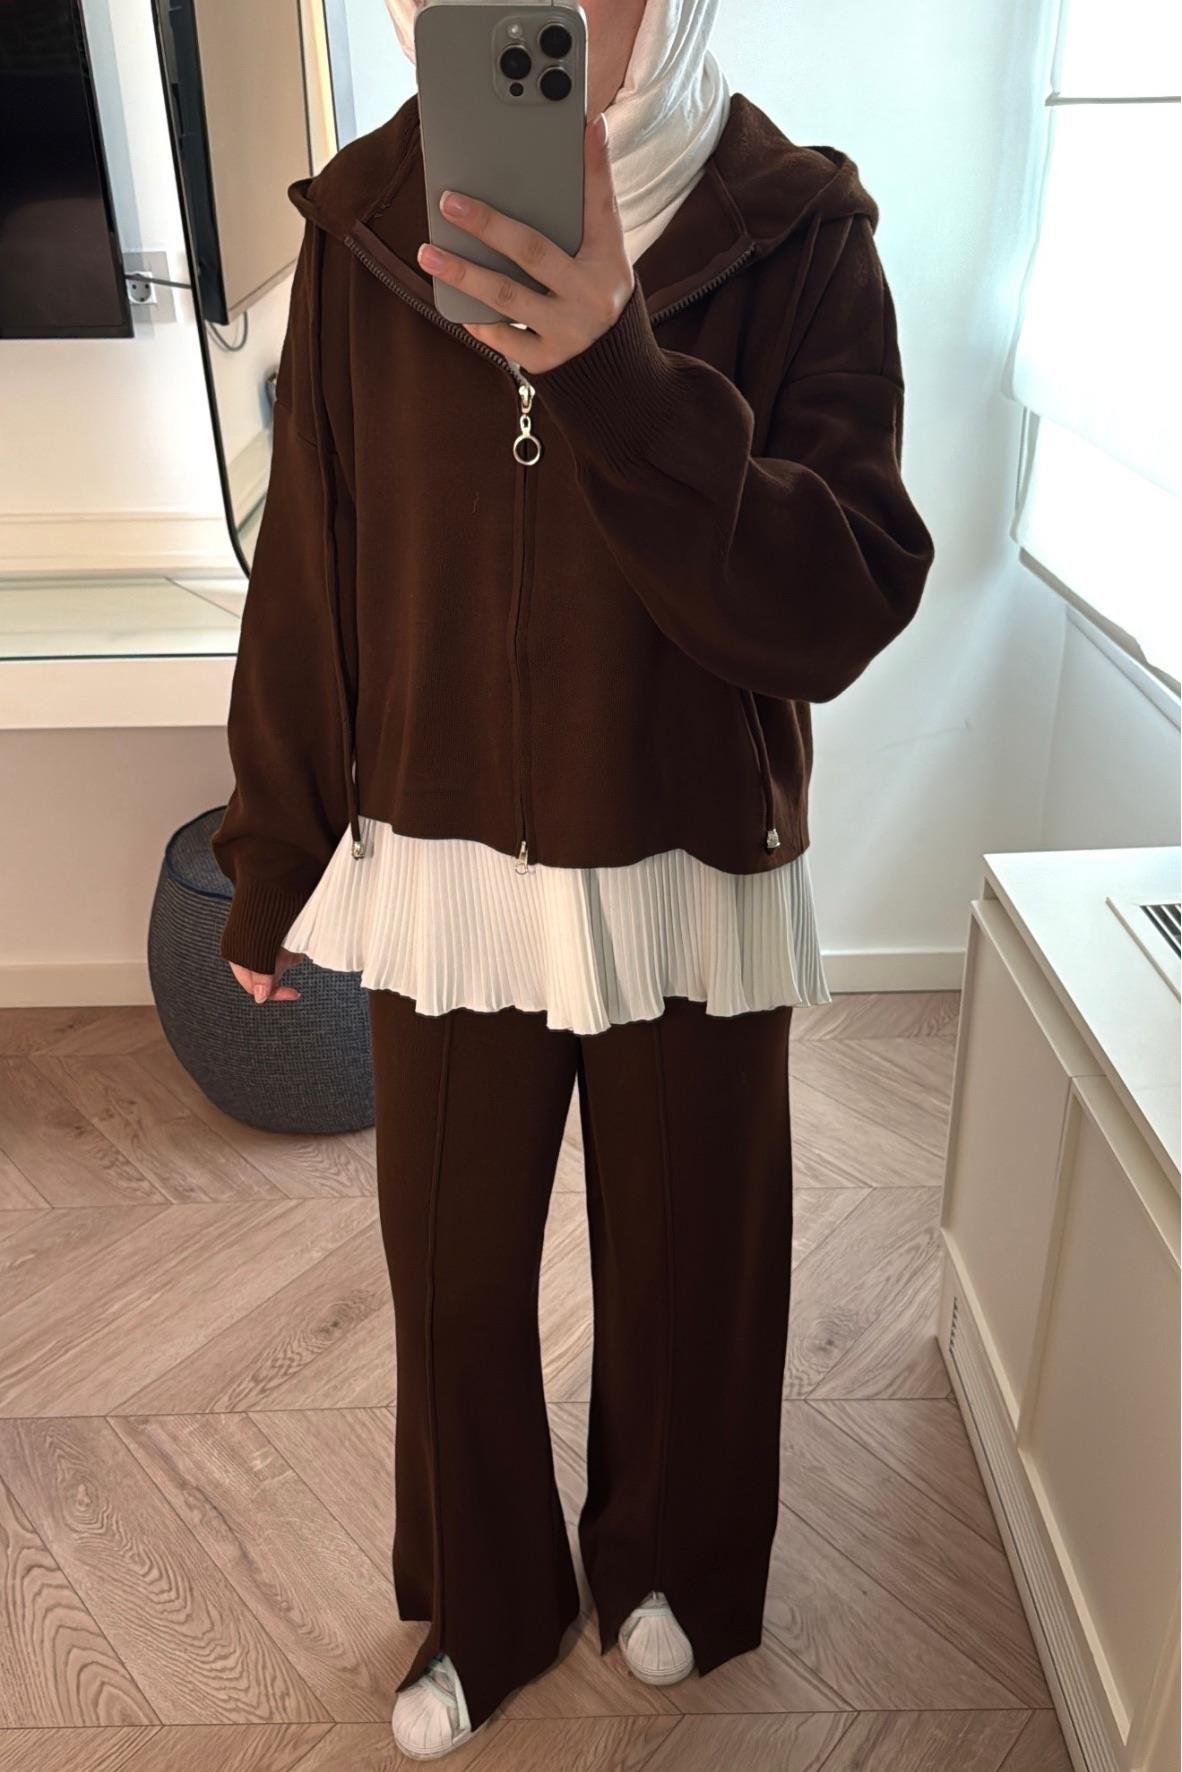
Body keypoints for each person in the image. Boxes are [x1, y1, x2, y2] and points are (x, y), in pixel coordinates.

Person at [210, 0, 935, 1757]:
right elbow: (313, 563)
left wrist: (615, 371)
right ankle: (486, 1601)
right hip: (446, 853)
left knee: (691, 1271)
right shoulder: (368, 230)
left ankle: (675, 1561)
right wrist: (274, 846)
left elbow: (839, 597)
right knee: (453, 1282)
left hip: (685, 848)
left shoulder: (795, 229)